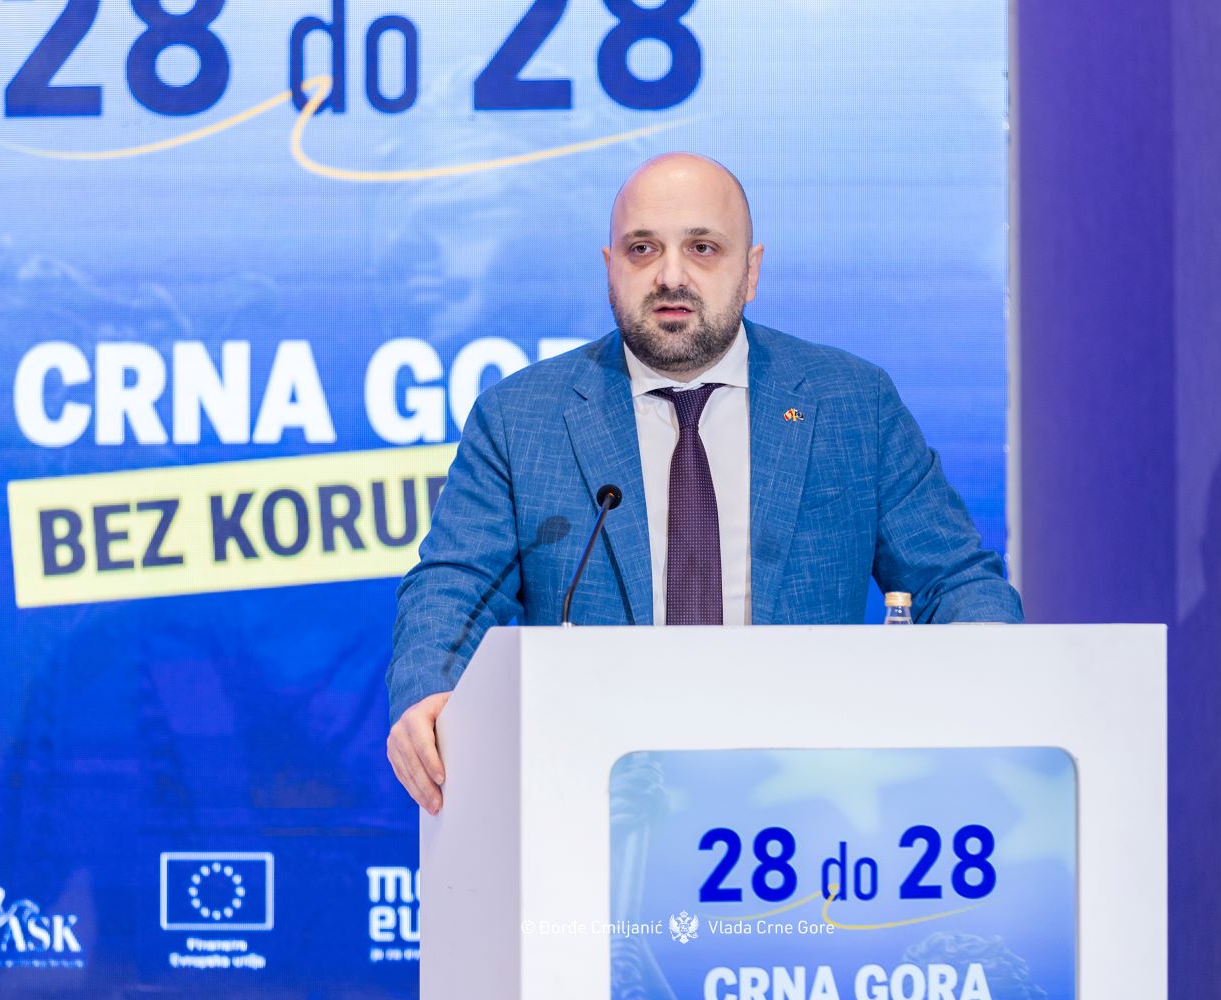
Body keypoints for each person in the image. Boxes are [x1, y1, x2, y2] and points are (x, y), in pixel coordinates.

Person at [386, 153, 1022, 812]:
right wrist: (430, 689)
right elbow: (455, 585)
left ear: (751, 271)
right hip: (594, 797)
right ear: (609, 269)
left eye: (703, 248)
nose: (670, 275)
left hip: (808, 791)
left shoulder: (852, 403)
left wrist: (994, 674)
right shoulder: (521, 417)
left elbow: (953, 579)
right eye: (642, 249)